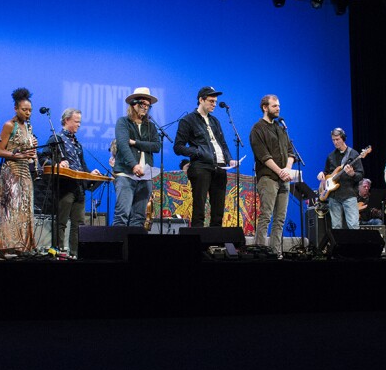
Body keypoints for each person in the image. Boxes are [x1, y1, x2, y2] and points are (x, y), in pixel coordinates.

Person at [174, 86, 236, 227]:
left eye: (215, 101)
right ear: (201, 100)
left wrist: (229, 159)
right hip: (201, 167)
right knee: (199, 208)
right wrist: (197, 152)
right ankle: (198, 244)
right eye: (211, 101)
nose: (214, 104)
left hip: (220, 167)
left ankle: (216, 245)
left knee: (218, 210)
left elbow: (223, 143)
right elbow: (178, 147)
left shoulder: (215, 121)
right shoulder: (188, 120)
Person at [44, 107, 102, 258]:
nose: (79, 125)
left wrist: (90, 174)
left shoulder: (77, 143)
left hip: (78, 188)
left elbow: (81, 165)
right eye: (76, 122)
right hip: (65, 187)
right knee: (61, 222)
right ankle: (59, 252)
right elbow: (43, 159)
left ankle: (75, 254)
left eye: (80, 122)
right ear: (66, 120)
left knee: (78, 224)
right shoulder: (55, 139)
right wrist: (56, 163)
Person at [0, 87, 39, 254]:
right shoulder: (9, 125)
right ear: (16, 109)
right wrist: (17, 155)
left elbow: (28, 151)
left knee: (24, 210)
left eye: (30, 110)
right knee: (11, 211)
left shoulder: (28, 127)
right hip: (11, 172)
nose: (28, 113)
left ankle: (23, 246)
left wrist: (33, 150)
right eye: (24, 110)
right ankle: (7, 246)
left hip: (25, 172)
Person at [249, 94, 295, 255]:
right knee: (266, 217)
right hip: (268, 178)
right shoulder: (258, 129)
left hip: (284, 179)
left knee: (280, 219)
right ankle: (260, 252)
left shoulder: (280, 128)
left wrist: (287, 169)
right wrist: (280, 171)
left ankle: (276, 253)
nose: (278, 108)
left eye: (279, 106)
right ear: (265, 107)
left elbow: (291, 151)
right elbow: (263, 155)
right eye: (275, 106)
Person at [113, 87, 161, 227]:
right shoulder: (123, 122)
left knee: (139, 218)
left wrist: (135, 142)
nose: (145, 108)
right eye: (142, 104)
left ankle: (133, 248)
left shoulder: (150, 126)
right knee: (122, 215)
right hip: (126, 174)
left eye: (148, 106)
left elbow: (156, 147)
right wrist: (134, 165)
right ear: (133, 104)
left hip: (145, 176)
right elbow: (122, 145)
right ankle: (118, 248)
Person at [316, 127, 364, 230]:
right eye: (333, 140)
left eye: (337, 139)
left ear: (343, 138)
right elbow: (327, 172)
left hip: (349, 194)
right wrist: (322, 174)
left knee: (353, 226)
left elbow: (360, 175)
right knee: (336, 227)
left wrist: (352, 174)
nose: (335, 142)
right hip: (333, 196)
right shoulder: (331, 156)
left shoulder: (353, 154)